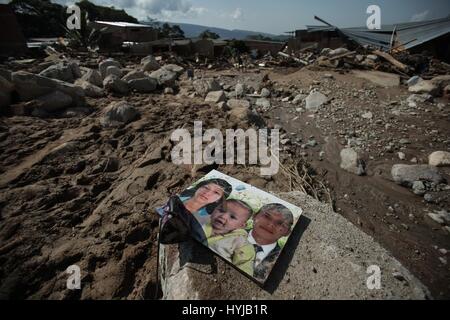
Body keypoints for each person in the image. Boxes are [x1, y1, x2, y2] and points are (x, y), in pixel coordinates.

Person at [156, 178, 232, 244]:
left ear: (218, 200)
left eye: (216, 192)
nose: (207, 193)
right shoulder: (176, 199)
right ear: (198, 187)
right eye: (206, 187)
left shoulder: (204, 221)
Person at [201, 199, 255, 276]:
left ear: (241, 225)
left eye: (232, 217)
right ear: (214, 210)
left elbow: (245, 265)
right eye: (221, 210)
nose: (223, 216)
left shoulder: (242, 243)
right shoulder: (201, 222)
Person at [247, 203, 294, 282]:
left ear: (287, 232)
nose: (271, 224)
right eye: (267, 216)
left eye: (280, 223)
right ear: (254, 216)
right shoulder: (229, 233)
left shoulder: (282, 261)